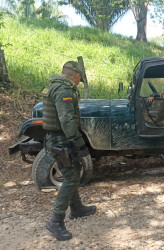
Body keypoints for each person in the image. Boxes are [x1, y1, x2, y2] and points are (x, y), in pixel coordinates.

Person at [41, 61, 96, 241]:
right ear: (76, 76)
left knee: (72, 173)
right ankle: (56, 221)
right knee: (72, 177)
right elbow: (66, 120)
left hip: (56, 138)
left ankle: (77, 208)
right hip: (61, 139)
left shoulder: (53, 86)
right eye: (80, 80)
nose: (79, 83)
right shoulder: (64, 91)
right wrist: (80, 144)